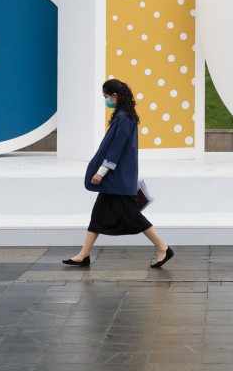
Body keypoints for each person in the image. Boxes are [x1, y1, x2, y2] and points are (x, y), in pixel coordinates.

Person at [63, 78, 174, 269]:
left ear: (114, 96)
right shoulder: (125, 115)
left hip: (117, 179)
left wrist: (101, 172)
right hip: (118, 179)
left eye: (106, 97)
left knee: (134, 217)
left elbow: (116, 148)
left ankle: (163, 248)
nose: (106, 101)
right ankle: (83, 255)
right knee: (97, 216)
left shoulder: (124, 117)